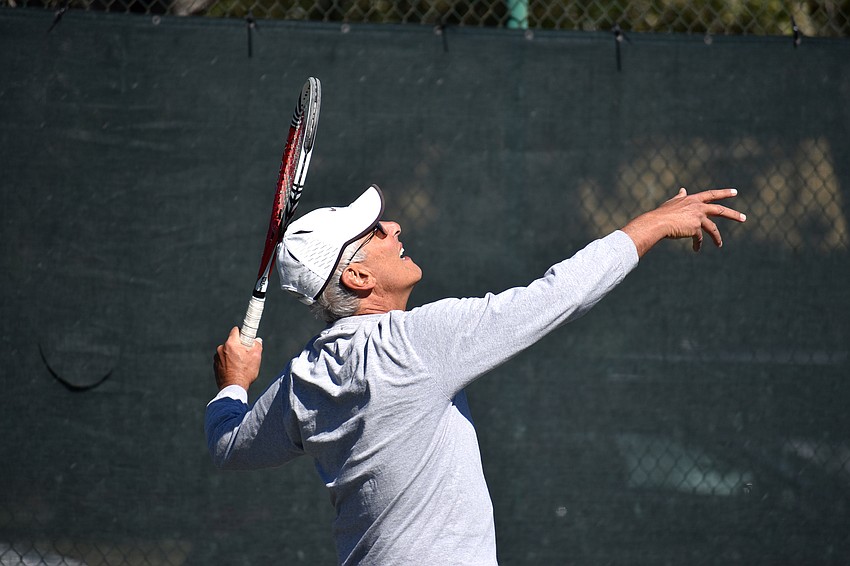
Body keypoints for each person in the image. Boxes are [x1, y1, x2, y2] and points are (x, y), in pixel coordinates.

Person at [206, 184, 746, 565]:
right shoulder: (416, 343)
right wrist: (651, 224)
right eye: (375, 231)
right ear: (358, 275)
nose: (394, 226)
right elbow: (558, 296)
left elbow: (229, 444)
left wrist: (234, 383)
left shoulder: (304, 379)